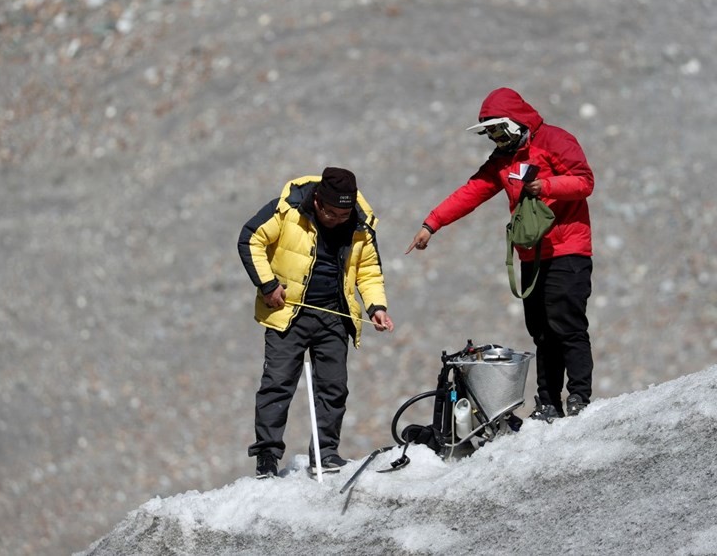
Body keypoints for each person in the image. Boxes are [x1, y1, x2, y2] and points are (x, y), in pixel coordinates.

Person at [406, 87, 595, 422]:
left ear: (514, 122)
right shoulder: (502, 161)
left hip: (568, 250)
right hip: (531, 256)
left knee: (566, 324)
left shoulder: (555, 140)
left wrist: (547, 187)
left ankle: (579, 396)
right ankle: (548, 402)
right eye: (489, 132)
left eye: (496, 129)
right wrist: (431, 224)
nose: (493, 137)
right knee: (541, 330)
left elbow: (584, 182)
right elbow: (472, 191)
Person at [238, 167, 395, 479]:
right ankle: (267, 456)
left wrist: (376, 306)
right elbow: (250, 239)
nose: (338, 219)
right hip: (288, 314)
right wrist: (268, 286)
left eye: (344, 213)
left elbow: (368, 269)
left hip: (334, 316)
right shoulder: (286, 209)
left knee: (334, 387)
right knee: (277, 385)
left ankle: (325, 453)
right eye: (333, 213)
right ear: (318, 203)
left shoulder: (360, 222)